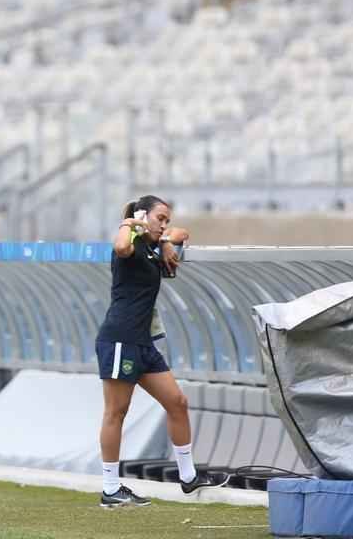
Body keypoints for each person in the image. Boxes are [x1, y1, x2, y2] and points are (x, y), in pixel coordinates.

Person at [96, 195, 229, 508]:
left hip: (143, 343)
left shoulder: (152, 246)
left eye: (167, 219)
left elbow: (182, 233)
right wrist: (131, 222)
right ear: (143, 216)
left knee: (177, 403)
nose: (165, 224)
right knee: (116, 412)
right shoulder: (128, 241)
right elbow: (120, 247)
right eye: (160, 218)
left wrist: (165, 240)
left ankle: (188, 477)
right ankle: (111, 489)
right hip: (120, 339)